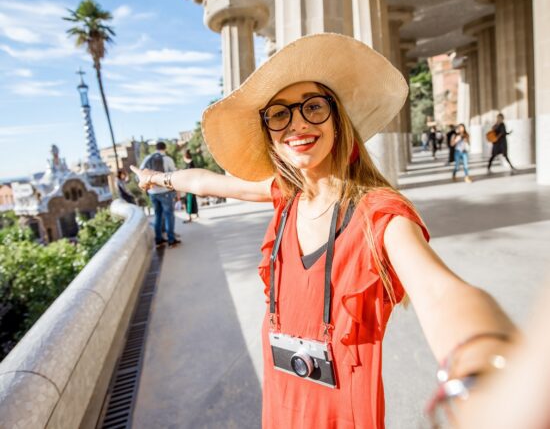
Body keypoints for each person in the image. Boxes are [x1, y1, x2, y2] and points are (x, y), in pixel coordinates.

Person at [131, 34, 515, 428]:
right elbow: (209, 182)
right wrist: (158, 178)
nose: (297, 123)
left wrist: (487, 365)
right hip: (282, 396)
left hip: (341, 413)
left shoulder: (379, 213)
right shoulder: (286, 195)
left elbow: (440, 292)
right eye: (279, 114)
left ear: (337, 120)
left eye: (313, 107)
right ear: (270, 136)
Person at [140, 141, 180, 248]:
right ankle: (171, 240)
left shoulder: (147, 158)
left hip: (152, 192)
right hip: (165, 192)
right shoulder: (167, 159)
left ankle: (159, 240)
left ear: (156, 148)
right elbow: (174, 174)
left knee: (157, 215)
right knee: (169, 215)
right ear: (165, 148)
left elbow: (141, 173)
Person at [182, 149, 199, 223]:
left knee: (188, 201)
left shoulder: (189, 164)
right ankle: (196, 214)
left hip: (189, 186)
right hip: (192, 185)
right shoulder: (191, 163)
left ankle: (190, 217)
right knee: (193, 200)